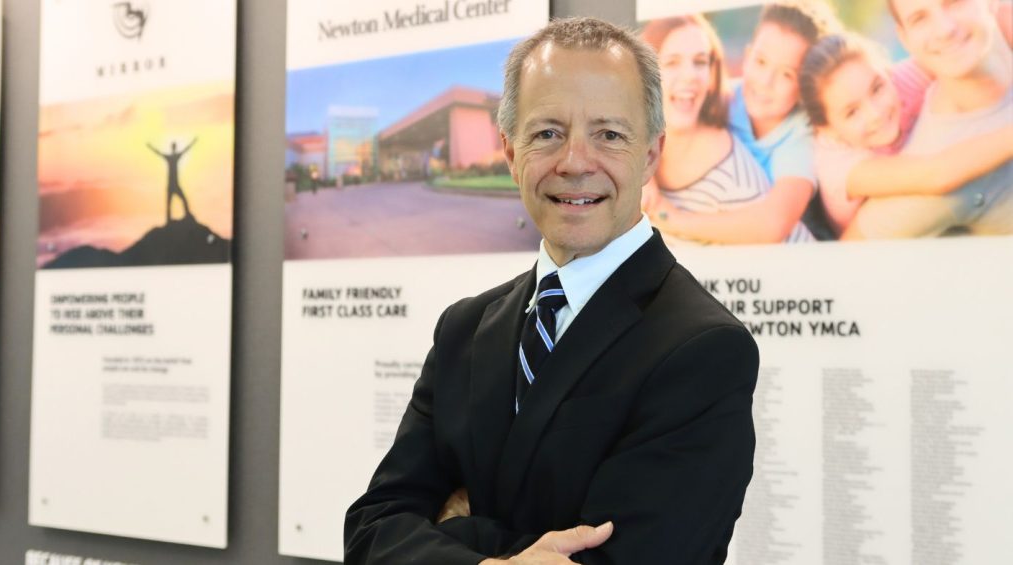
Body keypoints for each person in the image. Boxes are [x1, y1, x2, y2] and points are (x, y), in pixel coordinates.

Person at [345, 17, 759, 564]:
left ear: (653, 154)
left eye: (609, 134)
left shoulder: (703, 350)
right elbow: (371, 531)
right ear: (512, 154)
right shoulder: (464, 330)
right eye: (547, 133)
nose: (575, 162)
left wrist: (462, 536)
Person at [646, 0, 838, 243]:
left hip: (794, 231)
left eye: (787, 74)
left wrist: (672, 218)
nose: (766, 82)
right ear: (747, 57)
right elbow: (660, 110)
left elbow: (774, 224)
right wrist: (645, 176)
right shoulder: (725, 98)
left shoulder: (800, 137)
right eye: (760, 62)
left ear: (804, 88)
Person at [798, 32, 1013, 235]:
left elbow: (964, 51)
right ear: (826, 128)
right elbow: (937, 176)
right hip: (877, 247)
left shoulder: (900, 81)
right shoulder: (838, 165)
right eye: (852, 112)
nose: (875, 114)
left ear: (886, 71)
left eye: (876, 88)